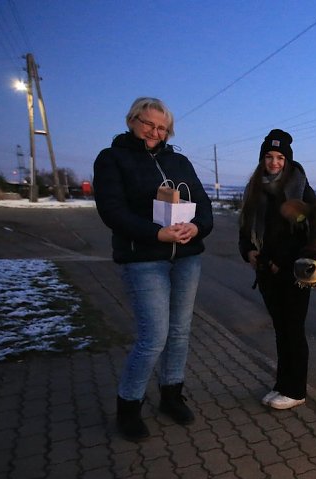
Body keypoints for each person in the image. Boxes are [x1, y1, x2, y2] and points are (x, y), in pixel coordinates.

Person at [93, 97, 213, 442]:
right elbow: (112, 211)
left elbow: (203, 206)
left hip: (187, 258)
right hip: (144, 259)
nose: (155, 132)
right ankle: (128, 406)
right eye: (148, 124)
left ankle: (171, 396)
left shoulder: (179, 161)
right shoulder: (113, 158)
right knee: (153, 337)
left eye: (162, 128)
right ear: (132, 121)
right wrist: (155, 233)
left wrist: (197, 228)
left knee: (180, 332)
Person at [239, 129, 316, 410]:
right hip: (265, 272)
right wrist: (248, 251)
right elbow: (245, 229)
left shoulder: (301, 188)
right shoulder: (254, 188)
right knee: (281, 330)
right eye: (269, 157)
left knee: (293, 330)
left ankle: (296, 390)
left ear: (288, 160)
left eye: (280, 157)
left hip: (292, 273)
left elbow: (310, 236)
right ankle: (283, 384)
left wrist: (281, 261)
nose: (274, 163)